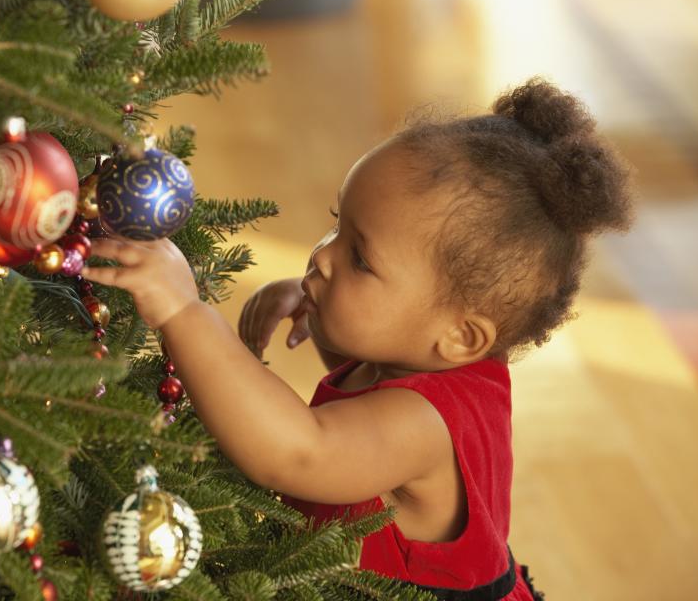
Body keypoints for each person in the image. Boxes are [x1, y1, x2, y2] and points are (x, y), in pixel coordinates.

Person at [81, 78, 634, 600]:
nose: (321, 255)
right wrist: (320, 310)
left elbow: (299, 452)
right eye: (335, 225)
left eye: (359, 258)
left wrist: (184, 311)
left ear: (460, 335)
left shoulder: (423, 427)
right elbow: (366, 399)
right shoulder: (422, 363)